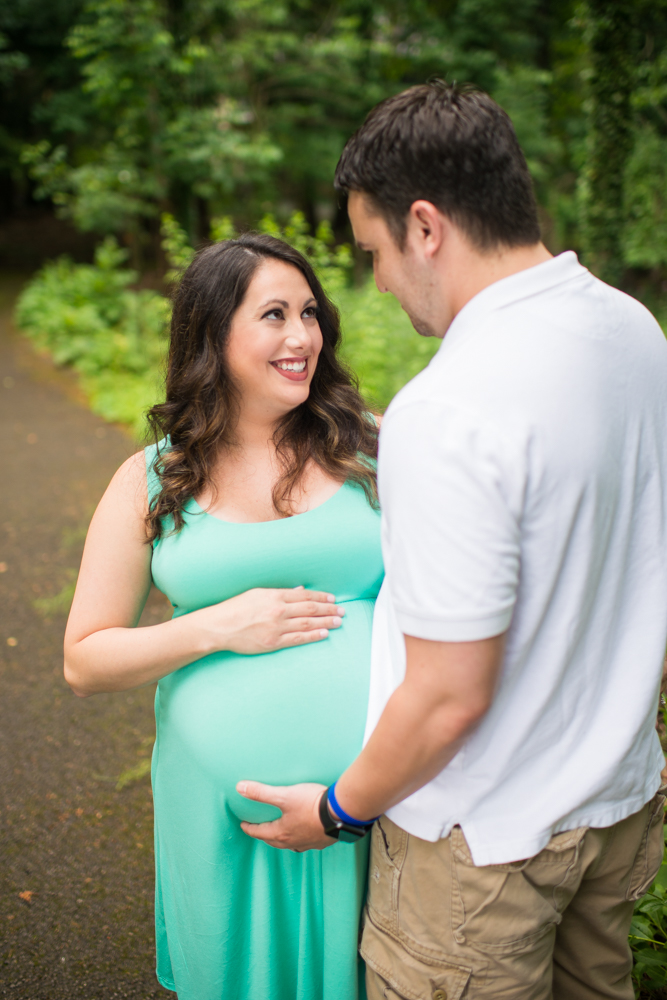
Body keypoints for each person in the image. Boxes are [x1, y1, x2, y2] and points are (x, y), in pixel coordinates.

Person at [238, 83, 667, 1000]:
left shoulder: (456, 406)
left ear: (424, 226)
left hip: (478, 856)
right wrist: (408, 439)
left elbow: (445, 697)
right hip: (614, 812)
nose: (378, 283)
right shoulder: (633, 332)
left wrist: (340, 809)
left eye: (373, 252)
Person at [63, 233, 384, 1000]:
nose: (301, 336)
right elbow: (84, 659)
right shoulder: (151, 478)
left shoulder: (369, 449)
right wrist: (216, 626)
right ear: (213, 333)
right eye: (273, 314)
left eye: (309, 313)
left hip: (370, 807)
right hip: (219, 819)